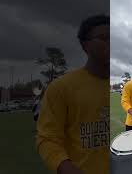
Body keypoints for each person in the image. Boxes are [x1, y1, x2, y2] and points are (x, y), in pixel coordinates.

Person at [36, 15, 109, 174]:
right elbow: (47, 139)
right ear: (85, 45)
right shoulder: (61, 87)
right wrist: (67, 169)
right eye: (104, 38)